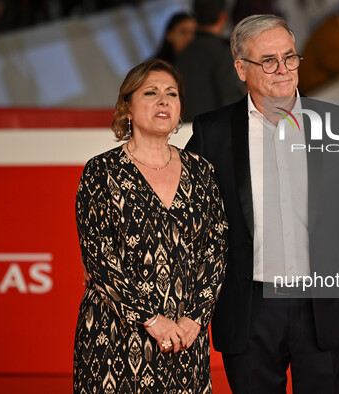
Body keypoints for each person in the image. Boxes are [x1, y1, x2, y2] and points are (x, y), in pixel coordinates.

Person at [186, 14, 339, 393]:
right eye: (268, 61)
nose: (283, 70)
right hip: (248, 312)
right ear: (241, 69)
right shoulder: (213, 133)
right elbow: (184, 220)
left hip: (322, 309)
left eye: (290, 57)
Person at [73, 59, 228, 393]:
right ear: (126, 107)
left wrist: (194, 319)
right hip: (115, 338)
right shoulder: (101, 172)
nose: (164, 101)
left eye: (172, 94)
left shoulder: (202, 171)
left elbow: (215, 252)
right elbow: (99, 259)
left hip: (185, 341)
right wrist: (152, 320)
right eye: (151, 92)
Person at [175, 0, 244, 122]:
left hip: (187, 130)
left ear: (194, 19)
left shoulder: (182, 55)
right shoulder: (223, 52)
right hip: (218, 129)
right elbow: (230, 100)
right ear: (223, 17)